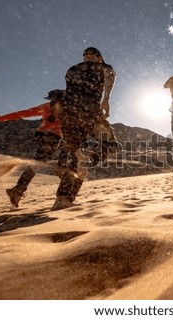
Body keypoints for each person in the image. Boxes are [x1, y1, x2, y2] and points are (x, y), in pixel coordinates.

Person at [52, 47, 116, 210]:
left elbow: (70, 92)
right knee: (110, 145)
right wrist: (106, 99)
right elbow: (110, 77)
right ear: (98, 57)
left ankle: (63, 198)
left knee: (78, 153)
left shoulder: (72, 69)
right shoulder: (103, 67)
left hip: (67, 114)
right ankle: (85, 162)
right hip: (87, 111)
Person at [0, 89, 68, 207]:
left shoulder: (45, 107)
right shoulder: (66, 110)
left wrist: (2, 118)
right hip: (52, 138)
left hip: (42, 136)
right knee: (41, 161)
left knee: (39, 162)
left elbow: (24, 113)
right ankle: (19, 189)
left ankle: (19, 189)